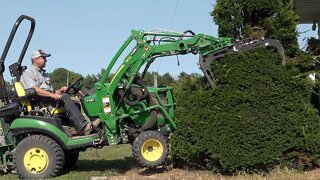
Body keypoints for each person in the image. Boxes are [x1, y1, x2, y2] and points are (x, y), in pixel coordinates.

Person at [20, 50, 100, 135]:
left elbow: (51, 91)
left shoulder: (43, 74)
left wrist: (59, 90)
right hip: (39, 100)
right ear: (36, 59)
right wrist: (52, 94)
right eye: (44, 58)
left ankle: (75, 129)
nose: (46, 60)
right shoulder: (28, 72)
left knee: (75, 103)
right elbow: (34, 89)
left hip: (48, 97)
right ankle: (83, 126)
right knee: (64, 97)